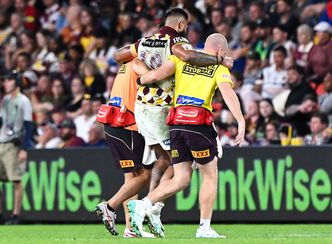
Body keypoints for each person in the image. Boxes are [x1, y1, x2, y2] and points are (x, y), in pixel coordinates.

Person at [113, 7, 232, 223]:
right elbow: (187, 56)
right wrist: (217, 61)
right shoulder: (178, 43)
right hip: (165, 109)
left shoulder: (144, 42)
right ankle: (150, 209)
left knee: (165, 160)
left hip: (142, 107)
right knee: (185, 163)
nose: (185, 30)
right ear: (180, 25)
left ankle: (148, 208)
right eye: (185, 26)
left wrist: (144, 75)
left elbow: (118, 55)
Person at [128, 33, 245, 238]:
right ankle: (204, 227)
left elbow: (154, 76)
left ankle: (142, 205)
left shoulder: (180, 59)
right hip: (198, 124)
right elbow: (228, 93)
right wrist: (241, 120)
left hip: (176, 125)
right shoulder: (218, 67)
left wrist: (140, 79)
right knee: (210, 176)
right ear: (221, 52)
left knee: (181, 178)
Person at [95, 59, 154, 238]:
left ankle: (131, 228)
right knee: (144, 176)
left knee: (131, 178)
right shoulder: (138, 63)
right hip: (128, 125)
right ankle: (110, 206)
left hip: (114, 123)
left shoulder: (125, 66)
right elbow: (151, 79)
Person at [0, 71, 34, 225]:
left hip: (14, 144)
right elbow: (1, 121)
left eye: (8, 81)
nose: (5, 84)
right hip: (2, 143)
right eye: (5, 81)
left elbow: (29, 126)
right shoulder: (6, 100)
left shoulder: (24, 101)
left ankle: (16, 215)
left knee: (16, 180)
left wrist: (25, 148)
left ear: (16, 82)